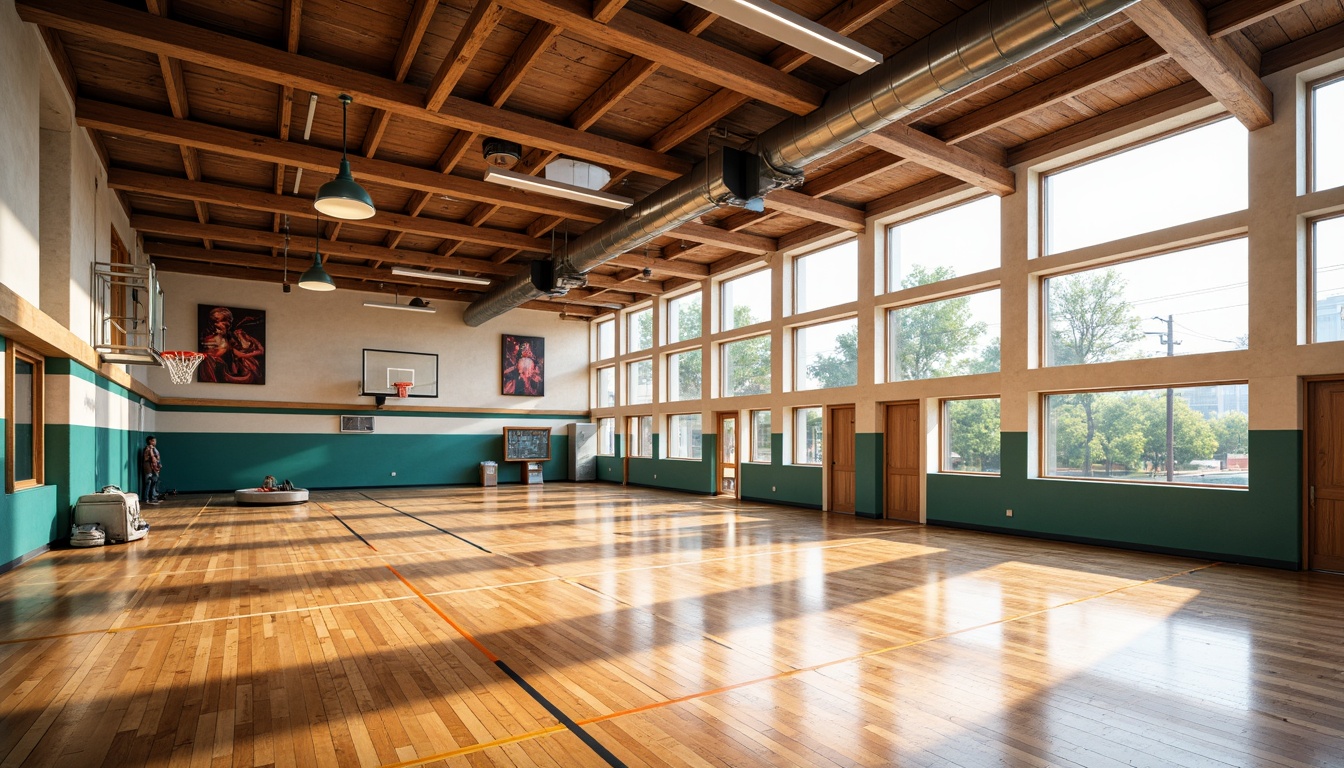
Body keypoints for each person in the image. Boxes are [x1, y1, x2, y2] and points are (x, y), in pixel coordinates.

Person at [141, 435, 162, 504]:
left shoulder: (154, 448)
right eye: (153, 441)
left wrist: (158, 464)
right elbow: (149, 458)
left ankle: (152, 497)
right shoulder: (148, 448)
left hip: (154, 468)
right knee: (148, 482)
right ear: (150, 441)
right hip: (148, 468)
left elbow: (156, 458)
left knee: (154, 482)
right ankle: (146, 498)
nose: (155, 442)